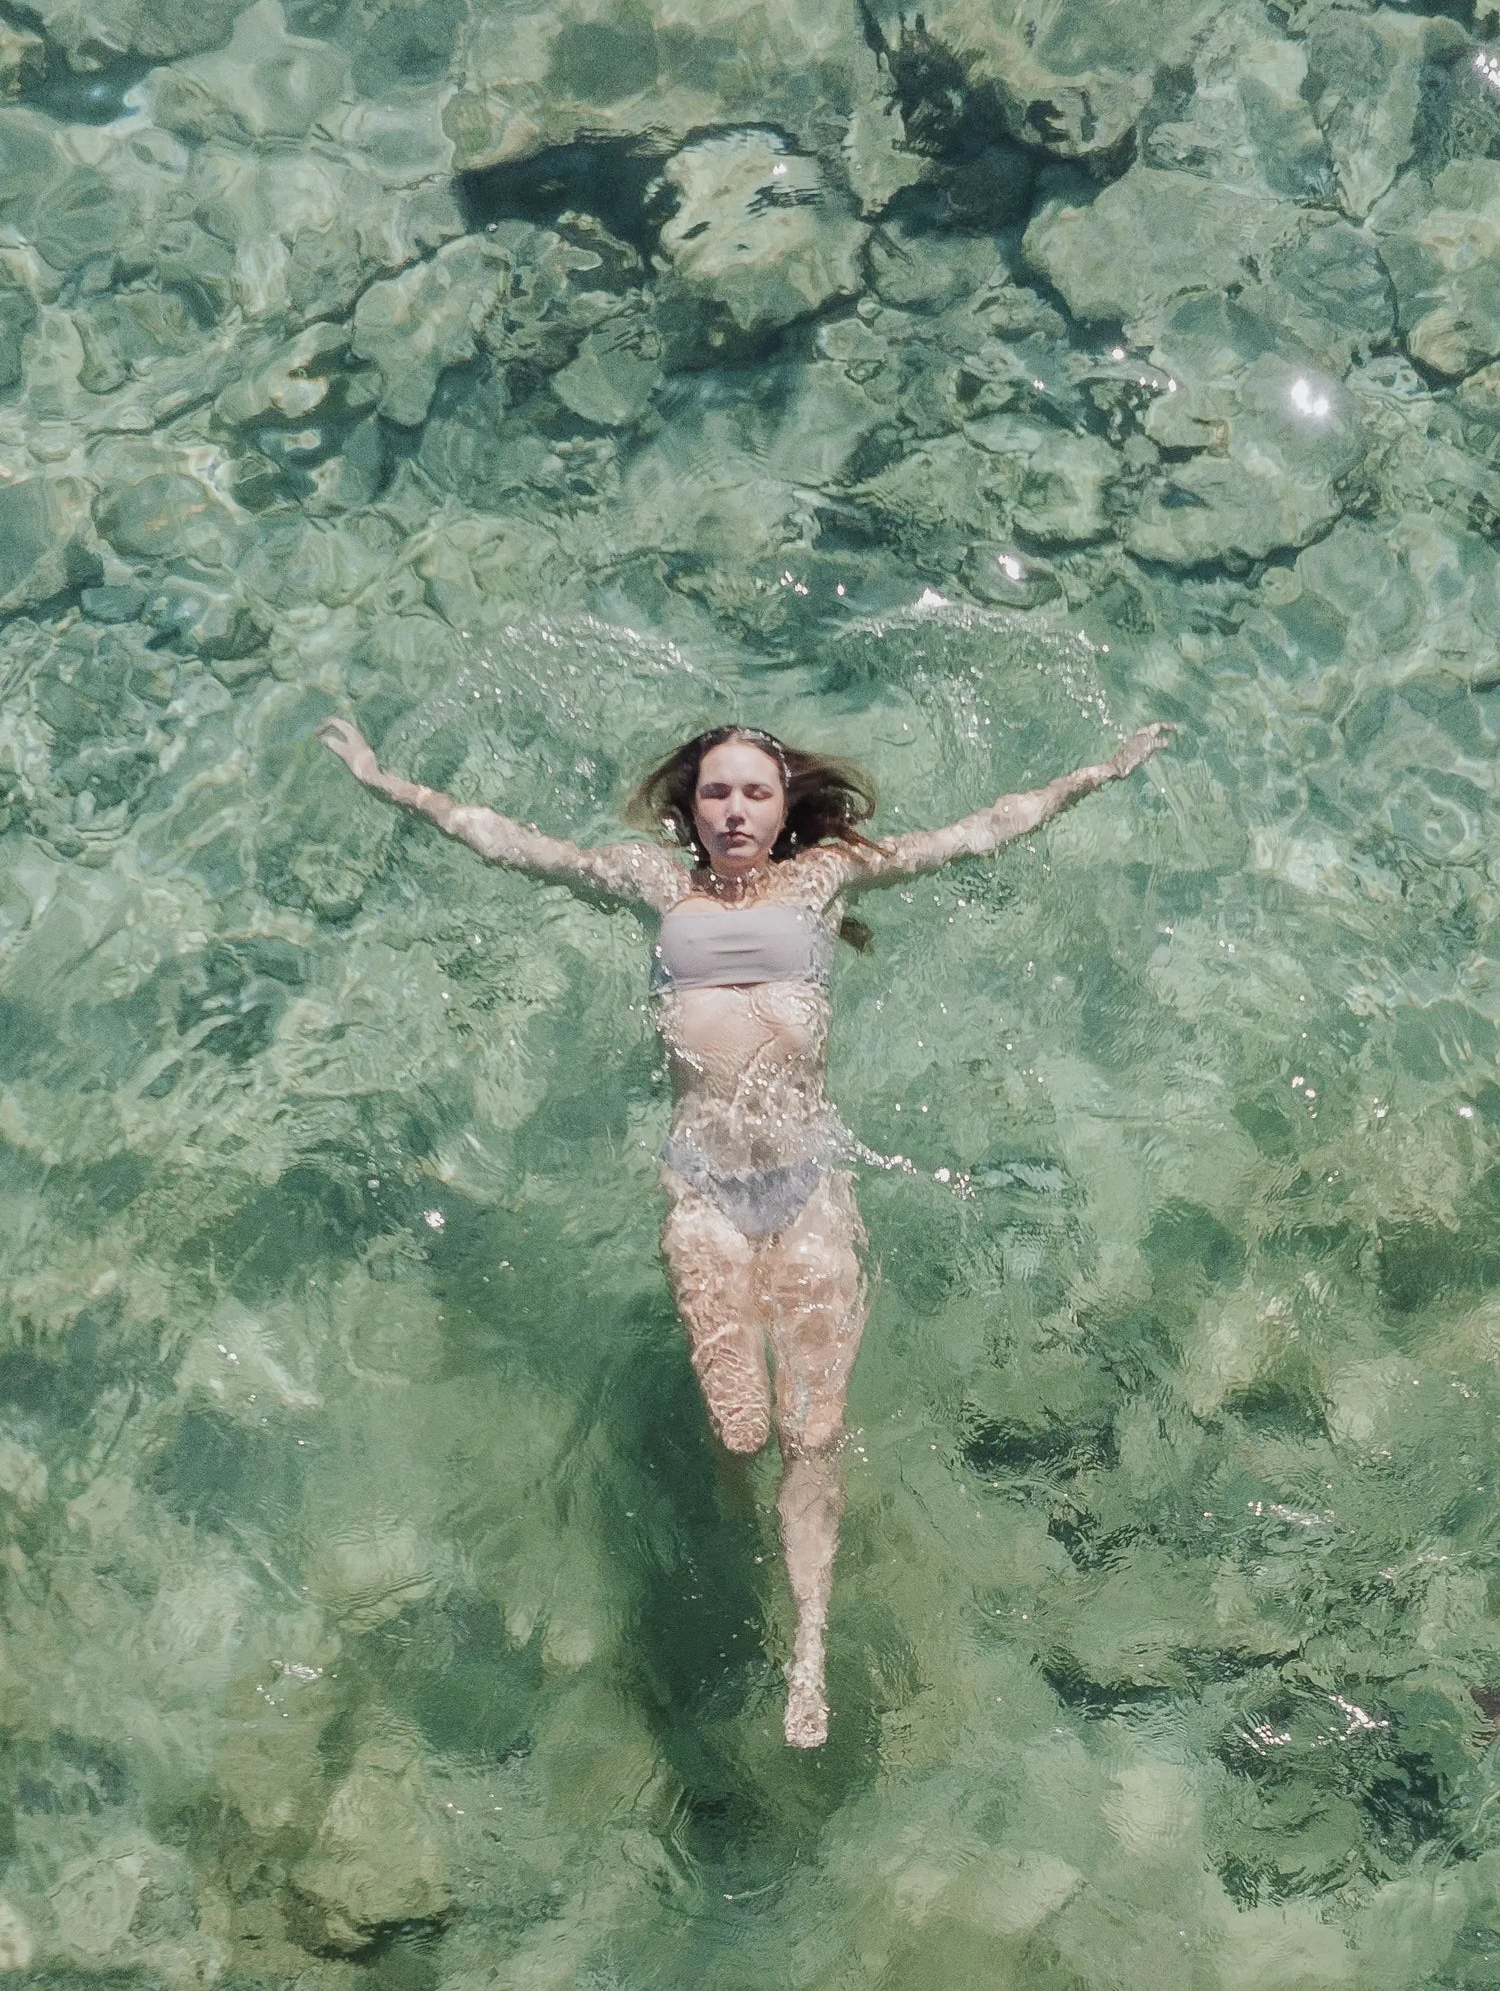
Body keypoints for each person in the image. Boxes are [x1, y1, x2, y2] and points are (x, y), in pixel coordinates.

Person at [319, 709, 1175, 1747]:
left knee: (812, 1434)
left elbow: (979, 830)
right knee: (740, 1428)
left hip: (811, 1184)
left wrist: (1095, 772)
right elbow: (510, 840)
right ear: (690, 805)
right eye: (717, 792)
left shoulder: (826, 877)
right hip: (704, 1191)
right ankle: (728, 1507)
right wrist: (387, 782)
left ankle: (807, 1647)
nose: (735, 810)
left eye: (755, 793)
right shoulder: (650, 883)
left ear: (783, 811)